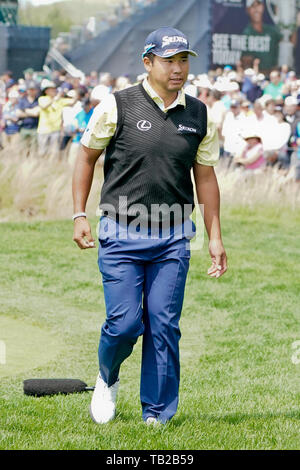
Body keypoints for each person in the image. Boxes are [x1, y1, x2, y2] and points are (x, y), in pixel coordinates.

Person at [72, 26, 227, 425]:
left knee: (163, 325)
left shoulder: (198, 113)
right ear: (147, 62)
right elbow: (86, 158)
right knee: (124, 325)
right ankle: (107, 378)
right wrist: (79, 215)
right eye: (168, 60)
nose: (177, 69)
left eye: (183, 61)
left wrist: (215, 237)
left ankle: (157, 412)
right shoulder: (117, 104)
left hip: (174, 235)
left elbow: (205, 178)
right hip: (120, 231)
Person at [242, 0, 281, 72]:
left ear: (263, 7)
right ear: (247, 10)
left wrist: (294, 26)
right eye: (253, 6)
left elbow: (288, 43)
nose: (256, 9)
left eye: (258, 5)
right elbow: (245, 60)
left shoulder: (272, 30)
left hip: (273, 75)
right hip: (254, 75)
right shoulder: (245, 33)